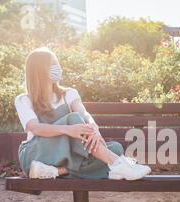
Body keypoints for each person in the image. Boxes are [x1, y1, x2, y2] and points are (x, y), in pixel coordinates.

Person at [15, 47, 151, 180]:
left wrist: (94, 128)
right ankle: (117, 164)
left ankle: (56, 171)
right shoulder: (24, 100)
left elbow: (84, 114)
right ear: (39, 70)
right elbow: (36, 128)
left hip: (67, 155)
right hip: (37, 154)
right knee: (74, 119)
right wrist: (68, 130)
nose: (58, 67)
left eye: (57, 63)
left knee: (115, 147)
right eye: (52, 64)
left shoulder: (69, 93)